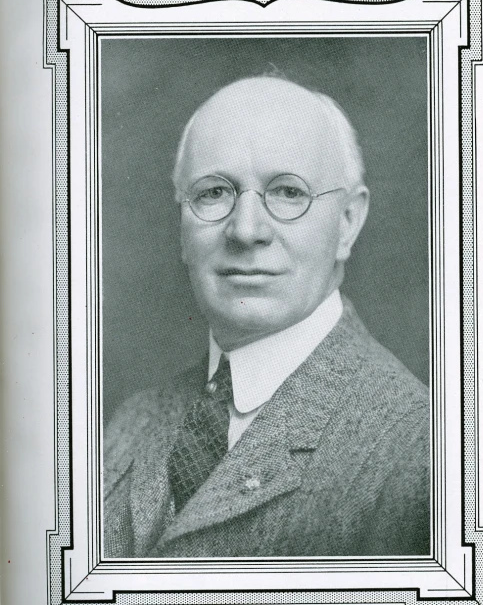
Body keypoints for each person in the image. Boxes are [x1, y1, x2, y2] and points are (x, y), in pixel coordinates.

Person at [104, 76, 430, 559]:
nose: (246, 230)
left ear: (347, 223)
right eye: (213, 192)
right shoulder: (128, 423)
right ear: (181, 227)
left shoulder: (422, 452)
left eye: (288, 192)